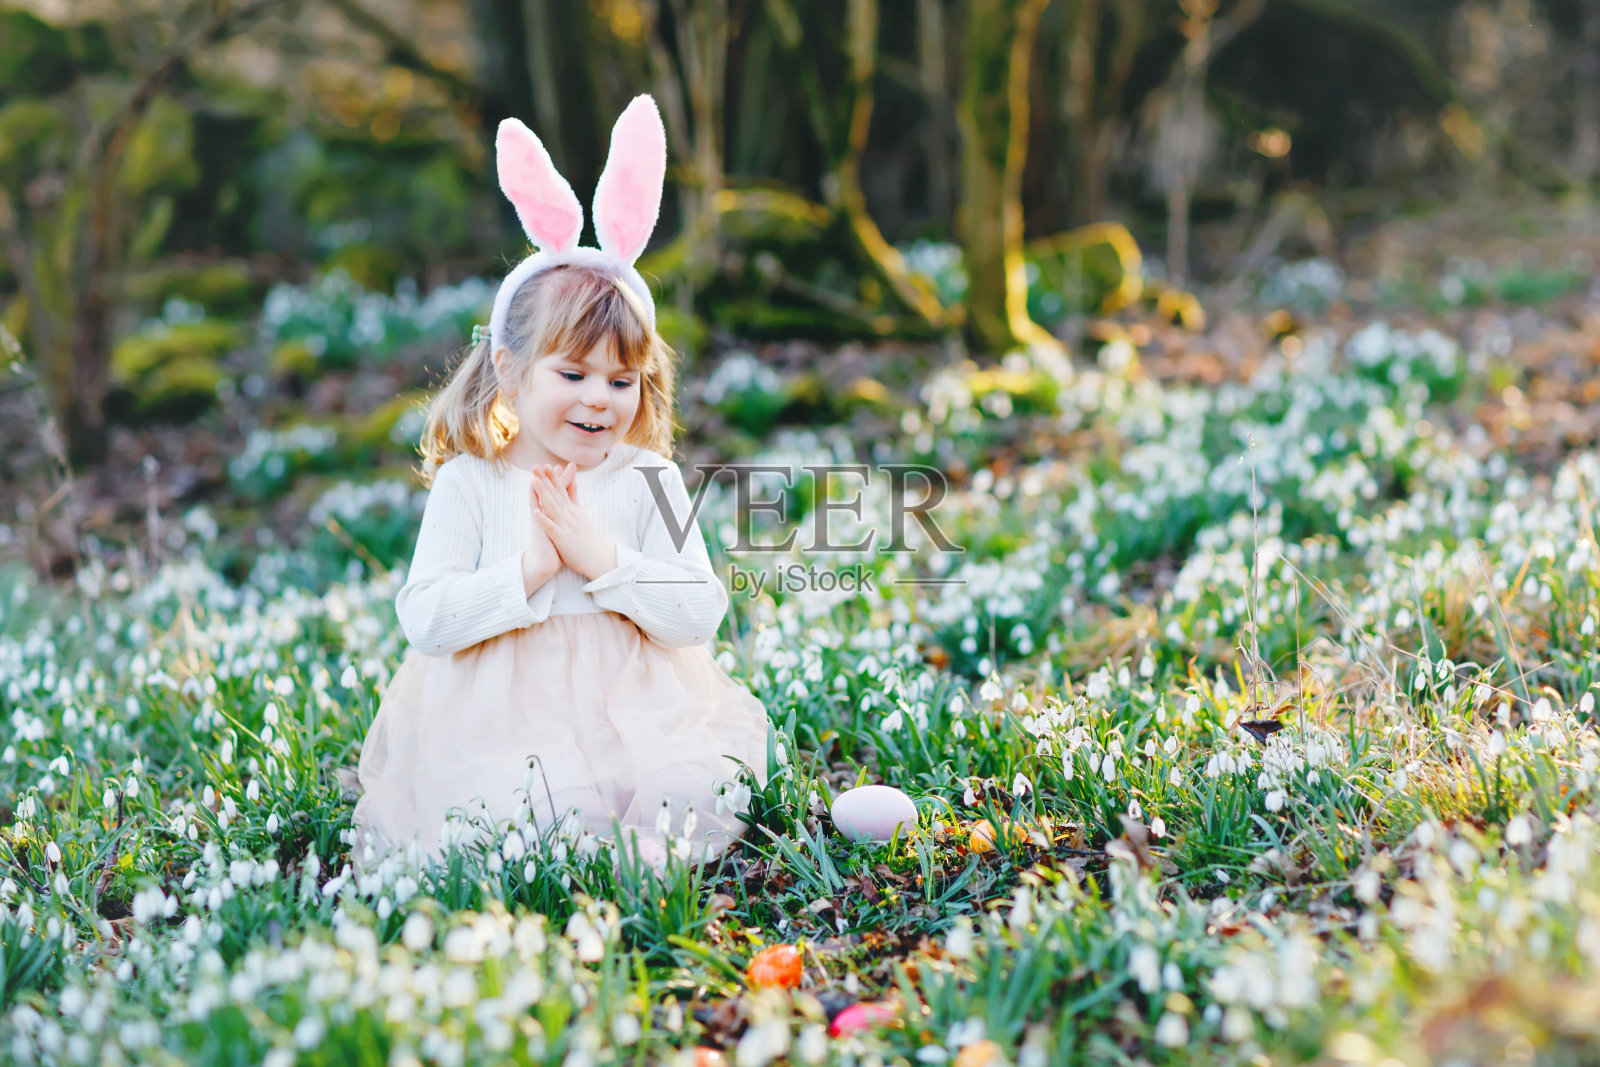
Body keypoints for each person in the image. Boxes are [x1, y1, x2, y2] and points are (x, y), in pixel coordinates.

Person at [351, 95, 769, 871]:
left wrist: (603, 560)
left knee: (680, 796)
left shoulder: (649, 480)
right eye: (572, 372)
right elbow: (427, 619)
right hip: (497, 728)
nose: (599, 398)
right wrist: (532, 571)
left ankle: (626, 862)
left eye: (622, 379)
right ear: (510, 371)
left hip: (639, 715)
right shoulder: (471, 485)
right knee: (519, 816)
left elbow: (699, 609)